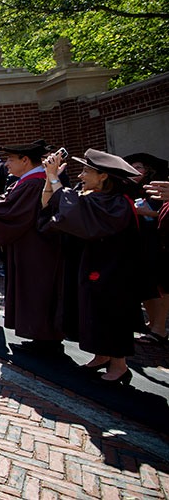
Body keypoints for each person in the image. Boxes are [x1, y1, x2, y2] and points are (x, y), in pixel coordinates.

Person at [39, 149, 142, 384]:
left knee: (111, 315)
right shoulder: (92, 196)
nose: (81, 175)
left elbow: (72, 212)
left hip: (113, 270)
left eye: (87, 170)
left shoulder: (117, 204)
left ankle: (119, 366)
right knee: (91, 311)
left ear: (104, 176)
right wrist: (49, 177)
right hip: (92, 264)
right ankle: (101, 355)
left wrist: (55, 178)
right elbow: (52, 208)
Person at [0, 140, 64, 354]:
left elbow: (9, 211)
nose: (6, 164)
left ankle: (47, 341)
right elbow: (9, 203)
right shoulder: (28, 181)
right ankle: (40, 337)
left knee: (38, 291)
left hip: (37, 249)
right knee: (33, 291)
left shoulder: (34, 182)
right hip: (29, 246)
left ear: (25, 160)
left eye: (10, 159)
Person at [124, 153, 169, 345]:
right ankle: (151, 324)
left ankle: (159, 329)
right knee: (146, 287)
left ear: (148, 170)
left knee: (160, 287)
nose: (136, 170)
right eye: (132, 166)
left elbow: (162, 213)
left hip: (157, 243)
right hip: (140, 243)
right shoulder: (132, 189)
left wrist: (145, 212)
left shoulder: (158, 189)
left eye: (139, 167)